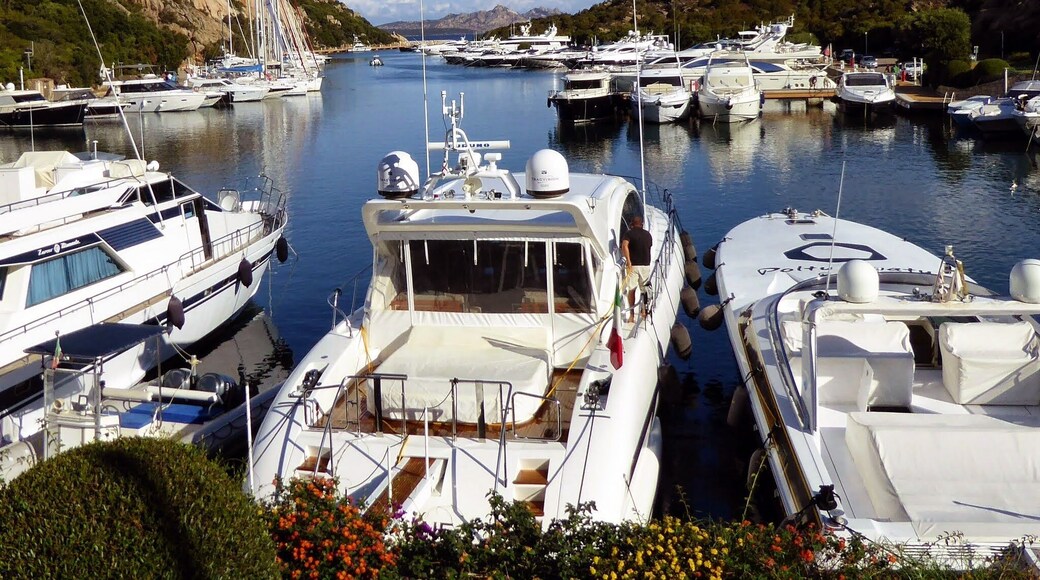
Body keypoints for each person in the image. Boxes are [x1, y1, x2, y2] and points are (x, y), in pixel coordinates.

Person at [621, 216, 652, 323]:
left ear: (631, 224)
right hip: (645, 265)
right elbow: (649, 246)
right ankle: (644, 311)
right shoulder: (648, 234)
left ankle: (632, 316)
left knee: (632, 290)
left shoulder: (628, 234)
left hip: (633, 266)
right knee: (644, 290)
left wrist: (628, 261)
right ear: (642, 224)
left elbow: (624, 246)